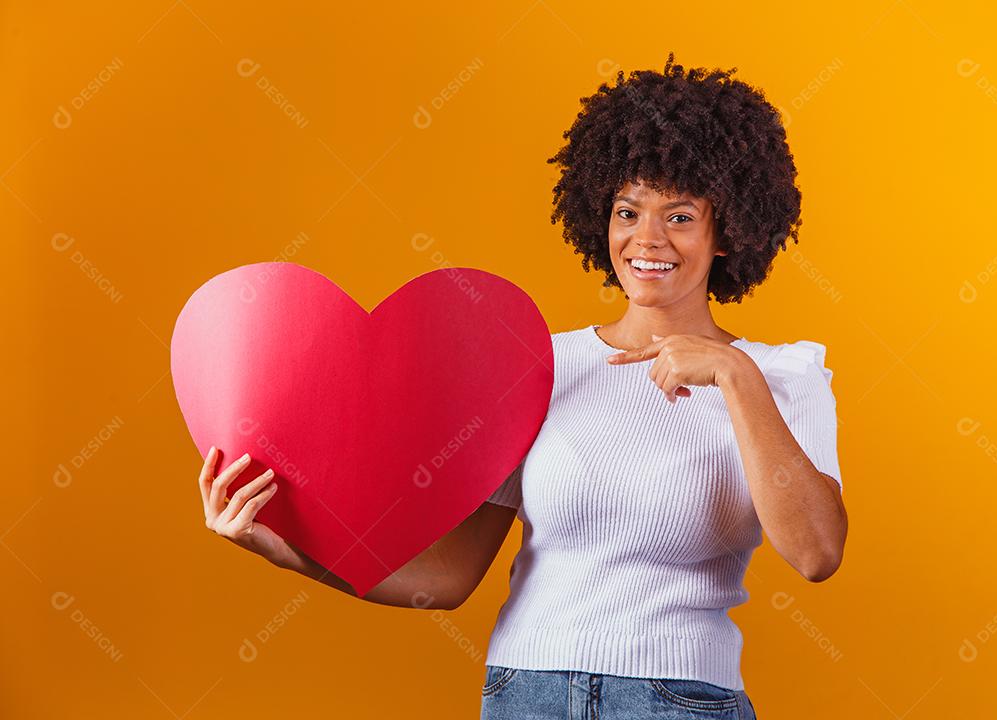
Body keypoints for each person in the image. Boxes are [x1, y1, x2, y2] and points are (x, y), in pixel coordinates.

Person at [195, 52, 847, 719]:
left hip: (678, 700)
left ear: (729, 231)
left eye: (679, 216)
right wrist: (280, 548)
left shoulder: (780, 376)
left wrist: (735, 378)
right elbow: (446, 580)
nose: (647, 239)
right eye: (628, 211)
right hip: (524, 695)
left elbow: (817, 552)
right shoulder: (541, 367)